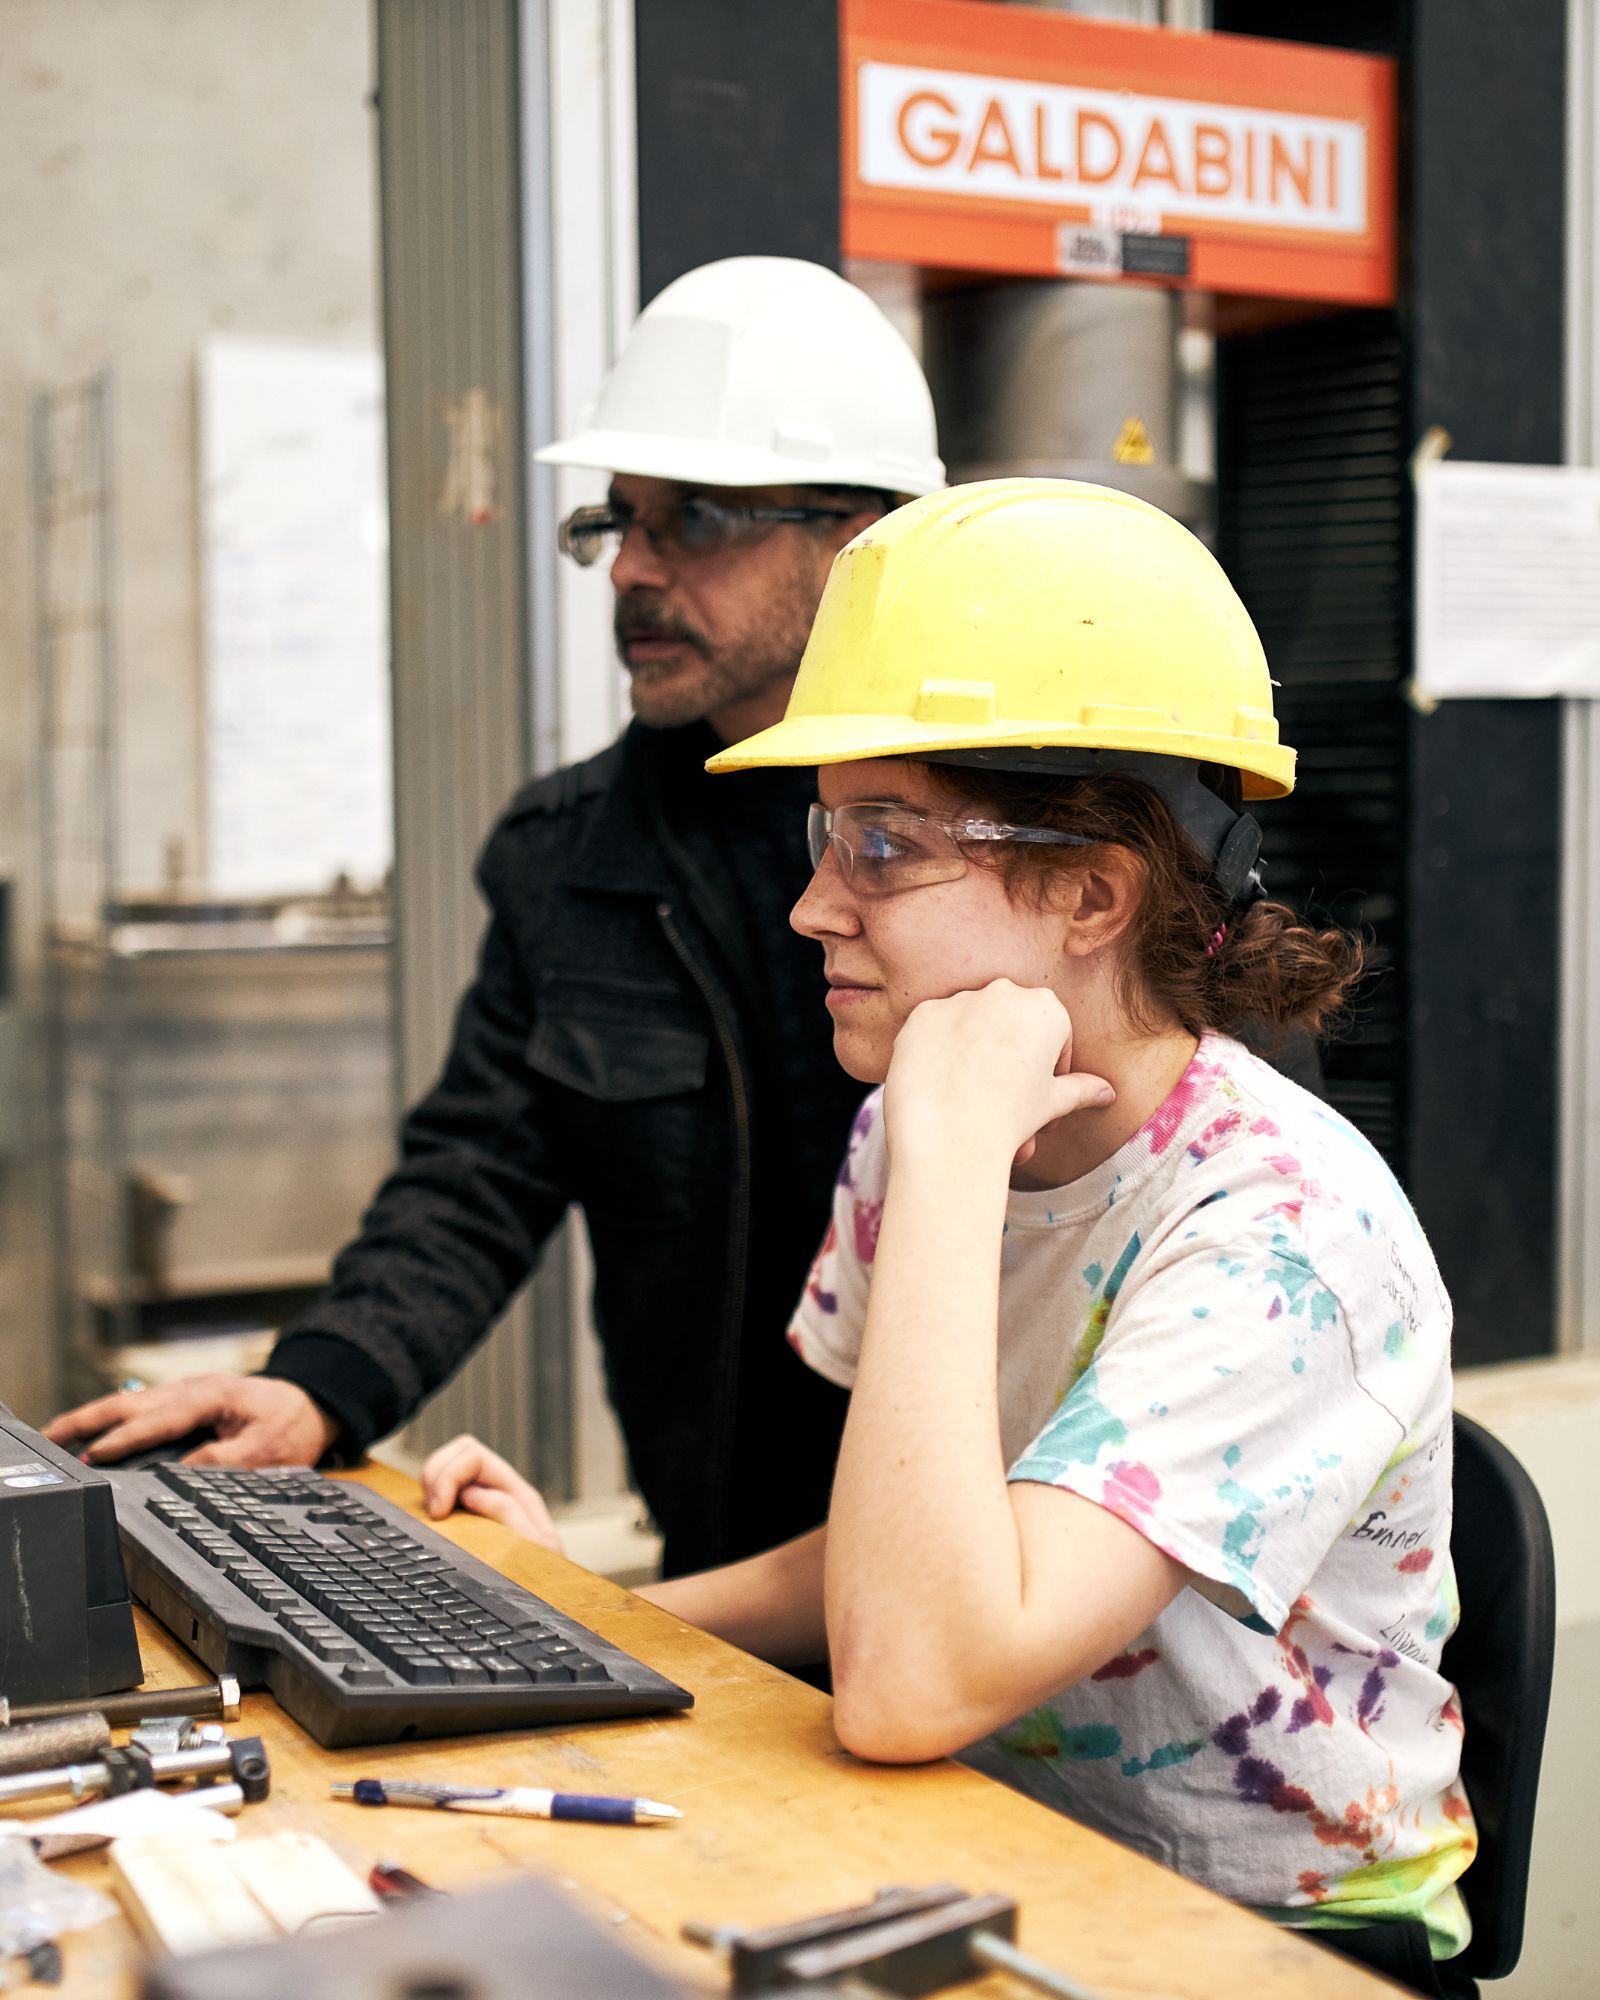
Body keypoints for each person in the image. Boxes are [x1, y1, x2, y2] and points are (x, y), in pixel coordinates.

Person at [442, 481, 1477, 1996]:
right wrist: (578, 1614)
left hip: (1278, 1948)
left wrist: (939, 1166)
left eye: (878, 844)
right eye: (824, 834)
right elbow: (905, 1565)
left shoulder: (1282, 1238)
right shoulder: (924, 1132)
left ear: (1088, 892)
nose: (810, 906)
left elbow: (911, 1677)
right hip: (994, 1857)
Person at [44, 256, 946, 1579]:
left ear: (860, 539)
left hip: (1024, 1607)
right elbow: (478, 1172)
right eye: (616, 523)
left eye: (693, 519)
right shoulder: (576, 859)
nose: (631, 571)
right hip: (731, 1567)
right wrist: (322, 1382)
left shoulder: (1018, 853)